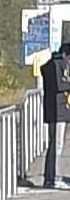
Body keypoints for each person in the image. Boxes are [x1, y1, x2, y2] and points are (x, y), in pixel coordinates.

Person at [43, 40, 70, 190]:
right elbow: (61, 85)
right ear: (65, 54)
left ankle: (49, 177)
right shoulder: (57, 65)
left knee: (54, 144)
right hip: (58, 111)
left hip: (55, 110)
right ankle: (55, 177)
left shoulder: (51, 64)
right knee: (57, 145)